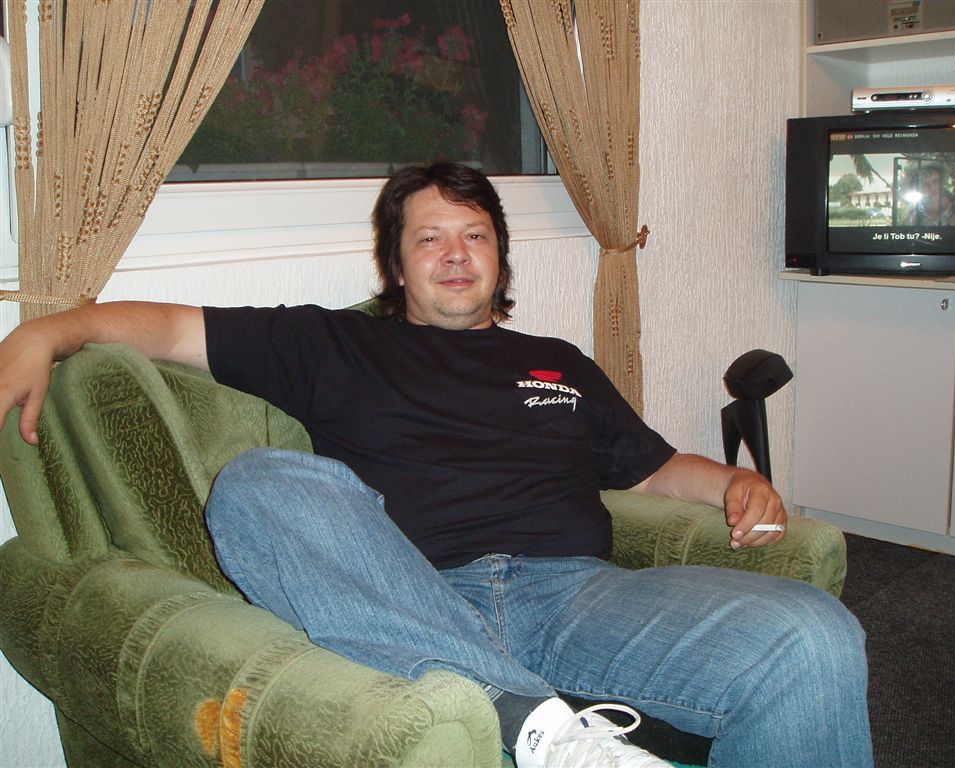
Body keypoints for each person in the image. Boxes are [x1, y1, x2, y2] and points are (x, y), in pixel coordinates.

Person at [0, 162, 872, 768]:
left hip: (576, 597)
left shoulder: (558, 362)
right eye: (429, 239)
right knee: (260, 485)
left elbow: (648, 468)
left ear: (499, 257)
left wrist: (733, 481)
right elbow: (168, 329)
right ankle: (539, 725)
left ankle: (523, 713)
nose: (456, 254)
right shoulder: (333, 344)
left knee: (814, 637)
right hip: (409, 593)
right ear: (397, 261)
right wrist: (48, 331)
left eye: (475, 235)